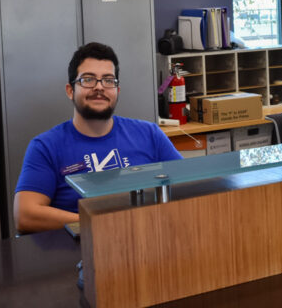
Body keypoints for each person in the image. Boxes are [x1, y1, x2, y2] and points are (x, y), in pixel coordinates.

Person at [14, 42, 182, 233]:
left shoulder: (149, 134)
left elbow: (192, 187)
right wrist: (100, 225)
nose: (99, 87)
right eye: (88, 80)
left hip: (147, 242)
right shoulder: (45, 147)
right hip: (79, 251)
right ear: (70, 91)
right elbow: (25, 215)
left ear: (117, 91)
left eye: (108, 80)